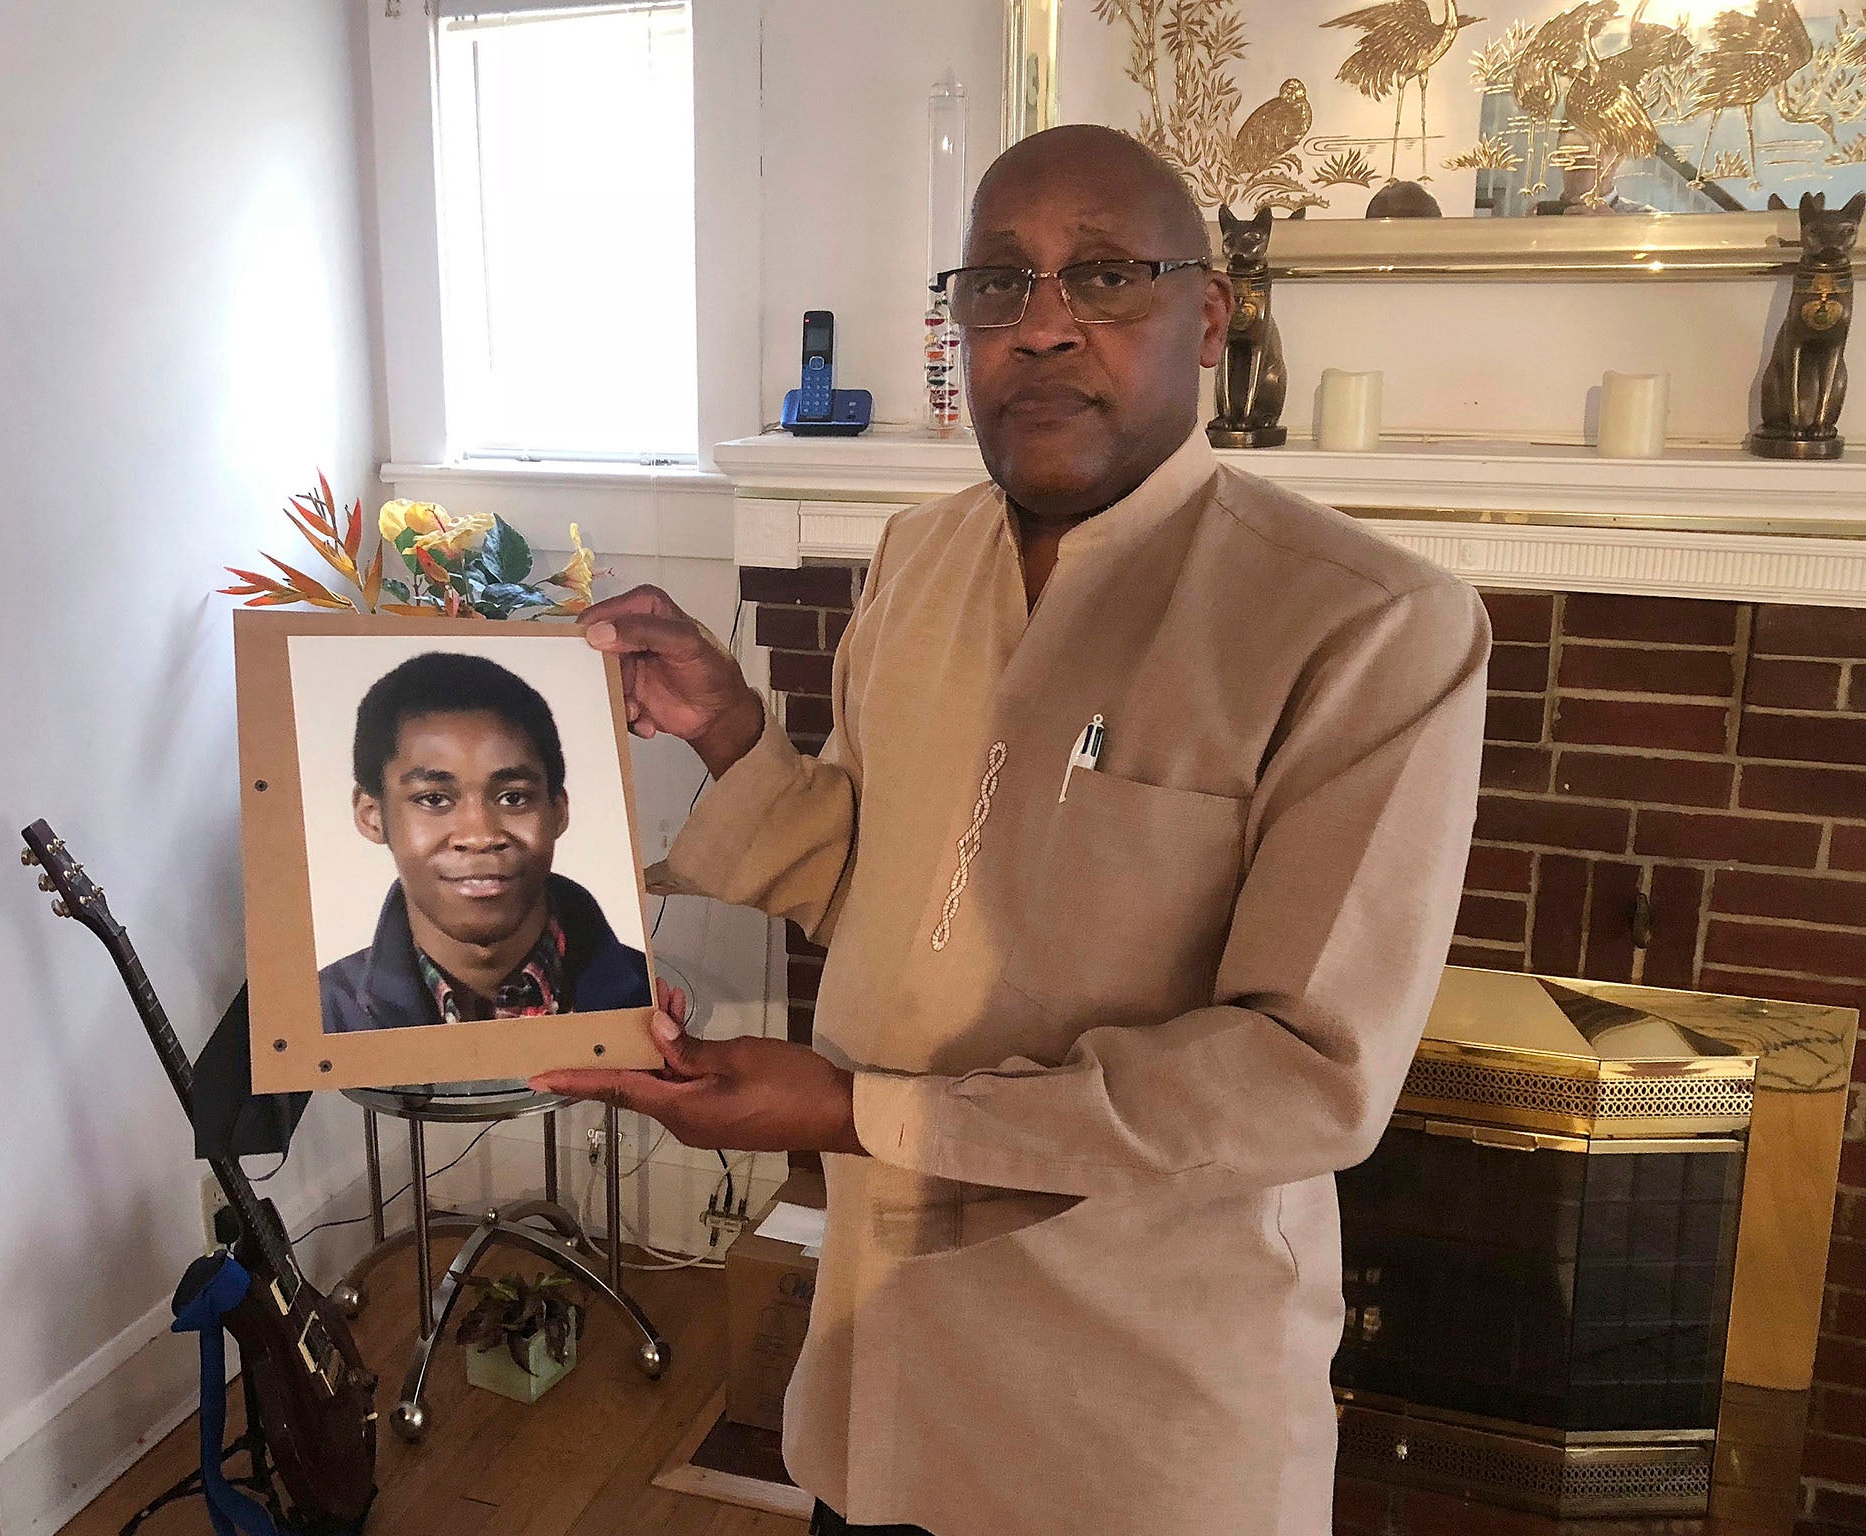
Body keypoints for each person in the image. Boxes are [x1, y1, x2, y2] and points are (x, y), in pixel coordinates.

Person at [535, 124, 1490, 1536]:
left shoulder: (1363, 625)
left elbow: (1303, 1077)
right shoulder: (918, 562)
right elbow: (883, 882)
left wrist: (857, 1112)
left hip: (1130, 1415)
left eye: (1103, 278)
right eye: (997, 285)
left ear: (1209, 317)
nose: (1041, 327)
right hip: (880, 1365)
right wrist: (728, 726)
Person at [318, 650, 649, 1034]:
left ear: (558, 810)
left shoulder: (648, 997)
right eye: (434, 799)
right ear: (372, 816)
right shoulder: (321, 1016)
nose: (479, 836)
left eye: (513, 798)